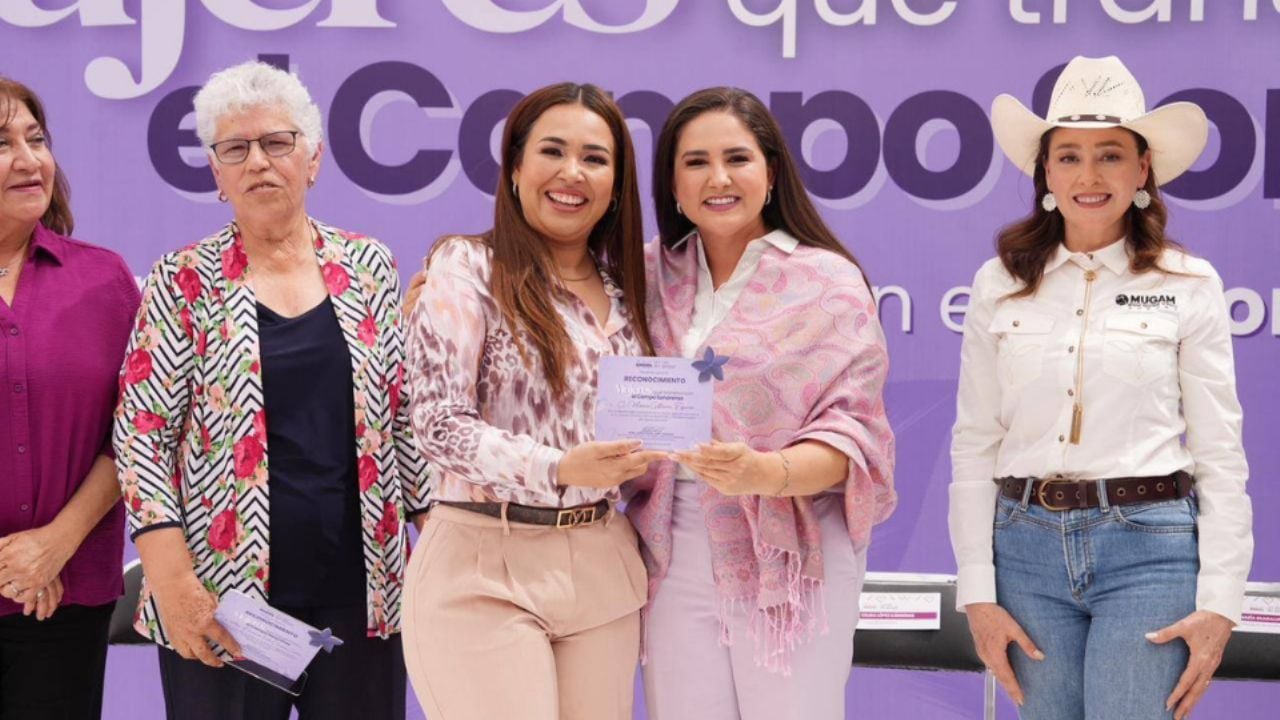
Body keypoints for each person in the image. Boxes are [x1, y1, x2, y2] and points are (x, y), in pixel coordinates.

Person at [113, 60, 429, 720]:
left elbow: (404, 422)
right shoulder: (183, 282)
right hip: (224, 598)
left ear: (311, 160)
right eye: (236, 148)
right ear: (217, 174)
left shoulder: (370, 266)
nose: (258, 161)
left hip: (363, 595)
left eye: (277, 143)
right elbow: (142, 436)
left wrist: (451, 546)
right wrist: (172, 583)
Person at [949, 55, 1252, 720]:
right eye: (1069, 156)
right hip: (1022, 548)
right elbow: (974, 441)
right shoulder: (997, 283)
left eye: (1111, 155)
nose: (1089, 175)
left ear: (1143, 170)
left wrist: (1221, 602)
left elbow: (1220, 453)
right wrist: (977, 590)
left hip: (1149, 549)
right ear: (1046, 172)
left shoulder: (1188, 283)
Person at [625, 87, 897, 720]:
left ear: (770, 173)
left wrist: (765, 473)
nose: (718, 178)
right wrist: (458, 272)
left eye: (737, 159)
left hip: (790, 546)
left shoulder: (826, 281)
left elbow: (853, 432)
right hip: (670, 537)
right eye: (695, 162)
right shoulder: (642, 276)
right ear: (672, 182)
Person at [402, 82, 662, 720]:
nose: (573, 173)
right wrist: (558, 467)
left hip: (603, 564)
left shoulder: (636, 291)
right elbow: (437, 423)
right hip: (482, 565)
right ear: (516, 169)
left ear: (617, 186)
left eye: (596, 158)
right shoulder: (466, 267)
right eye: (553, 150)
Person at [0, 76, 140, 719]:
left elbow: (137, 430)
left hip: (65, 597)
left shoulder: (103, 279)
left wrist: (55, 542)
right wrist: (14, 565)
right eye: (1, 144)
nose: (30, 161)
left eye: (37, 138)